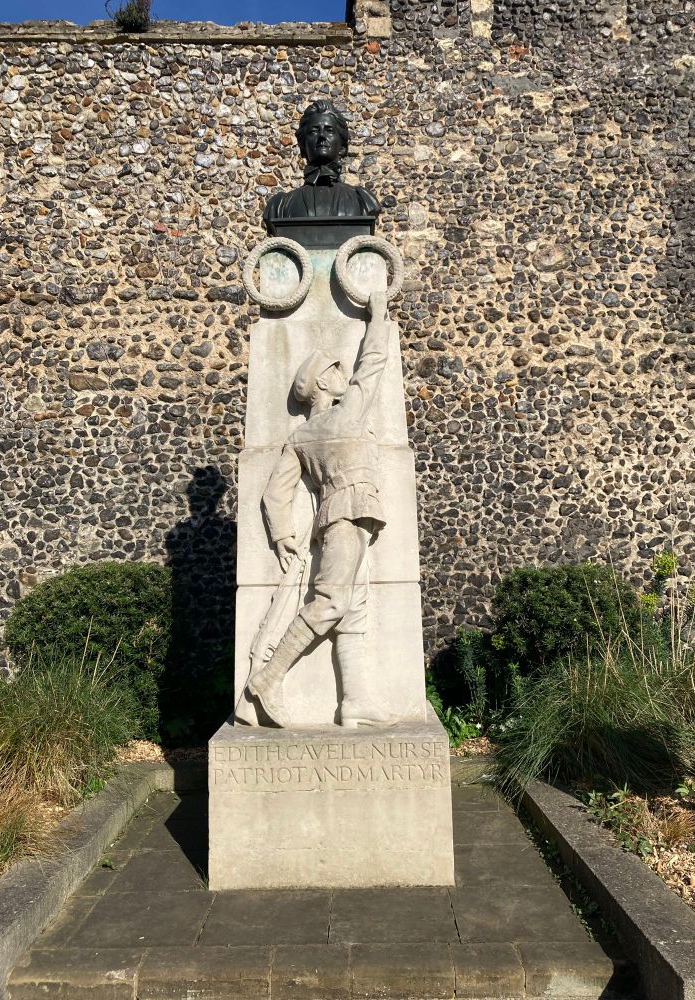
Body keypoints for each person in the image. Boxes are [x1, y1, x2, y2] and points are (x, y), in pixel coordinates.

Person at [245, 289, 390, 727]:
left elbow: (276, 494)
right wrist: (379, 314)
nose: (343, 374)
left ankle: (356, 701)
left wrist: (285, 536)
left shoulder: (301, 438)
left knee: (354, 608)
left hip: (348, 519)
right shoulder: (347, 416)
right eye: (334, 370)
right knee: (330, 602)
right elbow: (374, 363)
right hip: (347, 516)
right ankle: (268, 679)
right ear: (323, 385)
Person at [263, 100, 381, 229]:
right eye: (314, 131)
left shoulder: (363, 201)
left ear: (342, 147)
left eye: (329, 130)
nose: (322, 136)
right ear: (303, 147)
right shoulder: (280, 206)